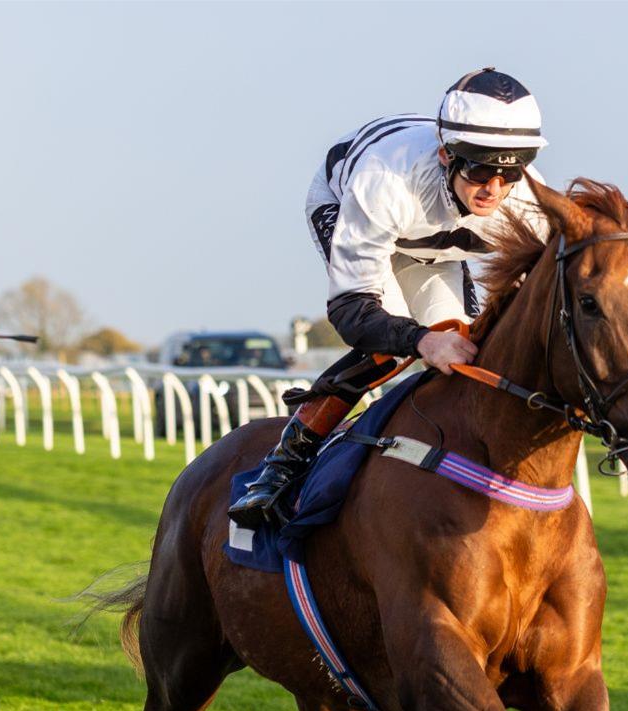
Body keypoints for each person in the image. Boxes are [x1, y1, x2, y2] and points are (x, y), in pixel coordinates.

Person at [230, 67, 551, 528]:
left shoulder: (526, 203)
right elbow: (352, 310)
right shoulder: (385, 183)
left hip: (434, 243)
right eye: (480, 169)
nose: (494, 190)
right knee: (388, 347)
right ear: (447, 155)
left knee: (467, 346)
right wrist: (421, 340)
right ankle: (284, 462)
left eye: (510, 172)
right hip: (348, 205)